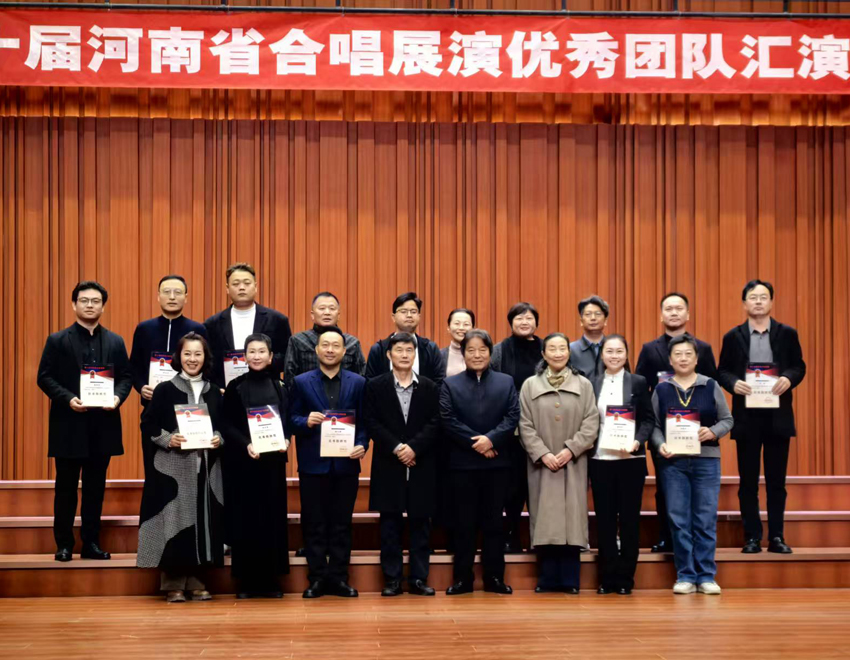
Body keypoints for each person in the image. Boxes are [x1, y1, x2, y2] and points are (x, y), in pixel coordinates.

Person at [37, 281, 132, 562]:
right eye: (84, 300)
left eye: (95, 301)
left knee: (95, 488)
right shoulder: (57, 340)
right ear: (74, 304)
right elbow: (44, 377)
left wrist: (117, 398)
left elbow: (126, 377)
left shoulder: (115, 341)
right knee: (65, 487)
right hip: (69, 424)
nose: (90, 305)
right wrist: (68, 398)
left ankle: (91, 543)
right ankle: (64, 544)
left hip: (102, 425)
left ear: (103, 306)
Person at [717, 279, 806, 555]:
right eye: (753, 297)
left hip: (778, 417)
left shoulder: (787, 333)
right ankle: (752, 537)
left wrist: (788, 378)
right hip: (747, 417)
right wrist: (734, 384)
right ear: (744, 303)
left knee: (777, 482)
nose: (758, 301)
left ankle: (777, 536)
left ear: (771, 302)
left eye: (763, 297)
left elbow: (799, 366)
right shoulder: (732, 337)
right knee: (748, 482)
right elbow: (723, 371)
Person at [137, 332, 224, 603]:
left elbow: (224, 426)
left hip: (206, 470)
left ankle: (197, 582)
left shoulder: (214, 391)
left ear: (205, 357)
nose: (192, 359)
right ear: (179, 356)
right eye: (187, 353)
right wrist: (168, 439)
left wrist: (219, 438)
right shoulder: (165, 389)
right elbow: (148, 424)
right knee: (174, 523)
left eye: (198, 354)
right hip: (173, 468)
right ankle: (173, 584)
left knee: (201, 524)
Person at [635, 292, 718, 554]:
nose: (674, 312)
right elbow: (640, 387)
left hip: (696, 431)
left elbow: (711, 387)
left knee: (697, 491)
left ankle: (694, 540)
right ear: (661, 315)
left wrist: (709, 427)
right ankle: (666, 536)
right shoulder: (650, 349)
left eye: (679, 308)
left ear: (688, 314)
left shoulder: (703, 348)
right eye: (668, 308)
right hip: (663, 430)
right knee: (665, 487)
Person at [651, 334, 734, 595]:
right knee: (679, 520)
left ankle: (706, 575)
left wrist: (713, 432)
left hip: (706, 461)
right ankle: (685, 575)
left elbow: (727, 419)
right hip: (673, 463)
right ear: (670, 360)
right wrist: (659, 444)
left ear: (697, 359)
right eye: (678, 354)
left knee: (705, 519)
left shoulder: (710, 385)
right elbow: (653, 425)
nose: (683, 358)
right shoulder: (662, 389)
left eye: (688, 354)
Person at [289, 327, 369, 598]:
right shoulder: (301, 382)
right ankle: (317, 579)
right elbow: (291, 419)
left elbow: (364, 422)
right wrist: (305, 421)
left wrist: (362, 444)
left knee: (341, 523)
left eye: (336, 345)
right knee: (314, 523)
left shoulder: (358, 382)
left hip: (346, 465)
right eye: (325, 345)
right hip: (313, 465)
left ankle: (339, 578)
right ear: (317, 350)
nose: (330, 350)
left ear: (345, 351)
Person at [440, 329, 520, 595]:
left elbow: (512, 416)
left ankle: (494, 578)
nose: (477, 355)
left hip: (497, 466)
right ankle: (463, 579)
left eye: (482, 350)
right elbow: (448, 419)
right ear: (463, 354)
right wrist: (479, 444)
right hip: (462, 466)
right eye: (471, 350)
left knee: (494, 524)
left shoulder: (506, 382)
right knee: (463, 524)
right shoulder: (450, 384)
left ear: (490, 353)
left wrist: (491, 440)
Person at [518, 333, 599, 594]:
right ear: (543, 354)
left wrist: (571, 449)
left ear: (569, 352)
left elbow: (591, 422)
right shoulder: (530, 385)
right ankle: (547, 579)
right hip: (541, 465)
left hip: (573, 463)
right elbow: (524, 424)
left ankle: (570, 580)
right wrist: (543, 453)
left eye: (562, 348)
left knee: (571, 518)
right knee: (545, 517)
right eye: (551, 349)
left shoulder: (583, 385)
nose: (557, 353)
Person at [363, 333, 440, 597]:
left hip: (421, 462)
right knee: (389, 524)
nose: (404, 355)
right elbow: (371, 421)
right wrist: (397, 447)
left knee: (421, 524)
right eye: (399, 350)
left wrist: (414, 447)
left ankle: (418, 578)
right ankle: (392, 579)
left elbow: (436, 421)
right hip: (388, 462)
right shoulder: (375, 386)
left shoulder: (429, 386)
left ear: (415, 354)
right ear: (389, 354)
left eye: (409, 350)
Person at [221, 333, 290, 598]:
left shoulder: (281, 386)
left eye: (262, 351)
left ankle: (272, 582)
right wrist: (245, 444)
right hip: (244, 463)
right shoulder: (235, 386)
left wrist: (286, 438)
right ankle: (247, 583)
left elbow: (287, 421)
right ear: (244, 356)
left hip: (273, 464)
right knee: (246, 520)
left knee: (272, 519)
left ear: (271, 357)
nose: (257, 356)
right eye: (252, 351)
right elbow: (226, 424)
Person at [590, 335, 654, 595]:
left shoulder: (638, 381)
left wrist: (638, 441)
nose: (614, 356)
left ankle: (626, 579)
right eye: (609, 351)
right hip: (601, 460)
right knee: (604, 521)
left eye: (619, 351)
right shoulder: (592, 382)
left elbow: (648, 419)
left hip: (630, 461)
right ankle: (607, 578)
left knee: (629, 520)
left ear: (627, 355)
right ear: (602, 354)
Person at [129, 275, 206, 475]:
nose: (172, 297)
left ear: (186, 297)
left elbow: (206, 367)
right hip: (153, 409)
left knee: (189, 473)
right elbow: (134, 367)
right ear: (158, 296)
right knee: (154, 470)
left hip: (189, 409)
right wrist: (141, 387)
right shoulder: (144, 329)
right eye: (166, 292)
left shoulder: (197, 329)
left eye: (177, 292)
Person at [491, 302, 544, 553]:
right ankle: (511, 537)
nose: (524, 322)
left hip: (541, 430)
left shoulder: (547, 348)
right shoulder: (499, 350)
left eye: (529, 318)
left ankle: (540, 539)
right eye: (519, 318)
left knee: (539, 486)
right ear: (510, 322)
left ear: (536, 322)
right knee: (512, 487)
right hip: (509, 431)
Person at [204, 262, 292, 390]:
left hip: (267, 390)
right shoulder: (212, 324)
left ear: (255, 287)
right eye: (236, 284)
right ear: (227, 288)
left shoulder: (277, 320)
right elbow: (208, 360)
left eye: (247, 283)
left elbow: (287, 357)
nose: (241, 287)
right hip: (227, 391)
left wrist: (262, 360)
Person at [283, 291, 366, 390]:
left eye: (332, 309)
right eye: (322, 308)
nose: (327, 312)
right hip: (307, 395)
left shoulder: (351, 342)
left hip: (344, 396)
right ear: (312, 315)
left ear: (338, 315)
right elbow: (289, 376)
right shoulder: (298, 340)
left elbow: (361, 376)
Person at [365, 292, 445, 385]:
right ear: (393, 317)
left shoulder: (430, 348)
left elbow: (439, 383)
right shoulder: (379, 349)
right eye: (403, 311)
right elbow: (370, 384)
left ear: (419, 317)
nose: (409, 315)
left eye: (413, 312)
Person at [569, 295, 609, 379]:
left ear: (605, 321)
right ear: (581, 321)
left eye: (598, 314)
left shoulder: (615, 348)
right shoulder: (570, 350)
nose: (593, 318)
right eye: (588, 314)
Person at [440, 308, 475, 378]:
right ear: (448, 328)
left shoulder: (480, 355)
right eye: (457, 323)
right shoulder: (439, 355)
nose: (461, 328)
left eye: (466, 324)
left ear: (473, 328)